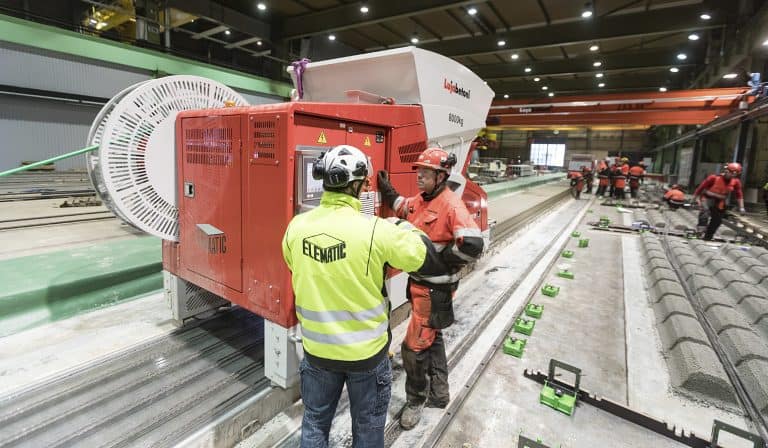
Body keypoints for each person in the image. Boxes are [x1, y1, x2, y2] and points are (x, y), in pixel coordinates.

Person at [281, 144, 449, 448]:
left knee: (315, 424)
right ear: (358, 184)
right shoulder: (376, 230)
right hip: (366, 358)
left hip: (317, 355)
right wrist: (403, 226)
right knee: (368, 429)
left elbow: (296, 265)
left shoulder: (296, 227)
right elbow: (419, 256)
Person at [376, 147, 484, 430]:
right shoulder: (420, 202)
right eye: (418, 171)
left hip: (434, 293)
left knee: (412, 349)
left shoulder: (451, 204)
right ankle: (439, 394)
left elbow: (473, 244)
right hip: (419, 288)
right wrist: (385, 189)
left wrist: (443, 261)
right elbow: (402, 205)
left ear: (441, 176)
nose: (419, 176)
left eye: (425, 172)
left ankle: (415, 400)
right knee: (431, 339)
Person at [692, 162, 745, 241]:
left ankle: (708, 236)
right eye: (731, 173)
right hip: (707, 198)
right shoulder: (713, 178)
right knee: (705, 212)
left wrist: (742, 207)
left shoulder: (736, 182)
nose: (732, 176)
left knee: (717, 220)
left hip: (719, 201)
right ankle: (700, 229)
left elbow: (739, 195)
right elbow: (701, 187)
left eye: (735, 174)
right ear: (727, 171)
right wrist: (694, 198)